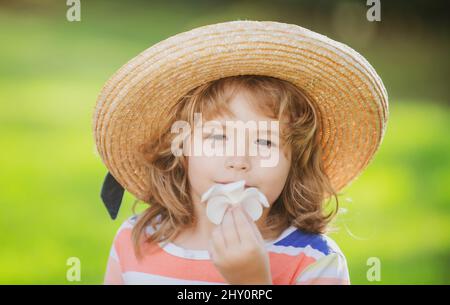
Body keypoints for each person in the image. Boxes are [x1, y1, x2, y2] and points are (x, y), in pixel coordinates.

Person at [93, 20, 388, 285]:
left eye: (265, 142)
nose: (239, 161)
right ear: (181, 148)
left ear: (295, 160)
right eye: (218, 137)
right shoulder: (135, 242)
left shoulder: (314, 261)